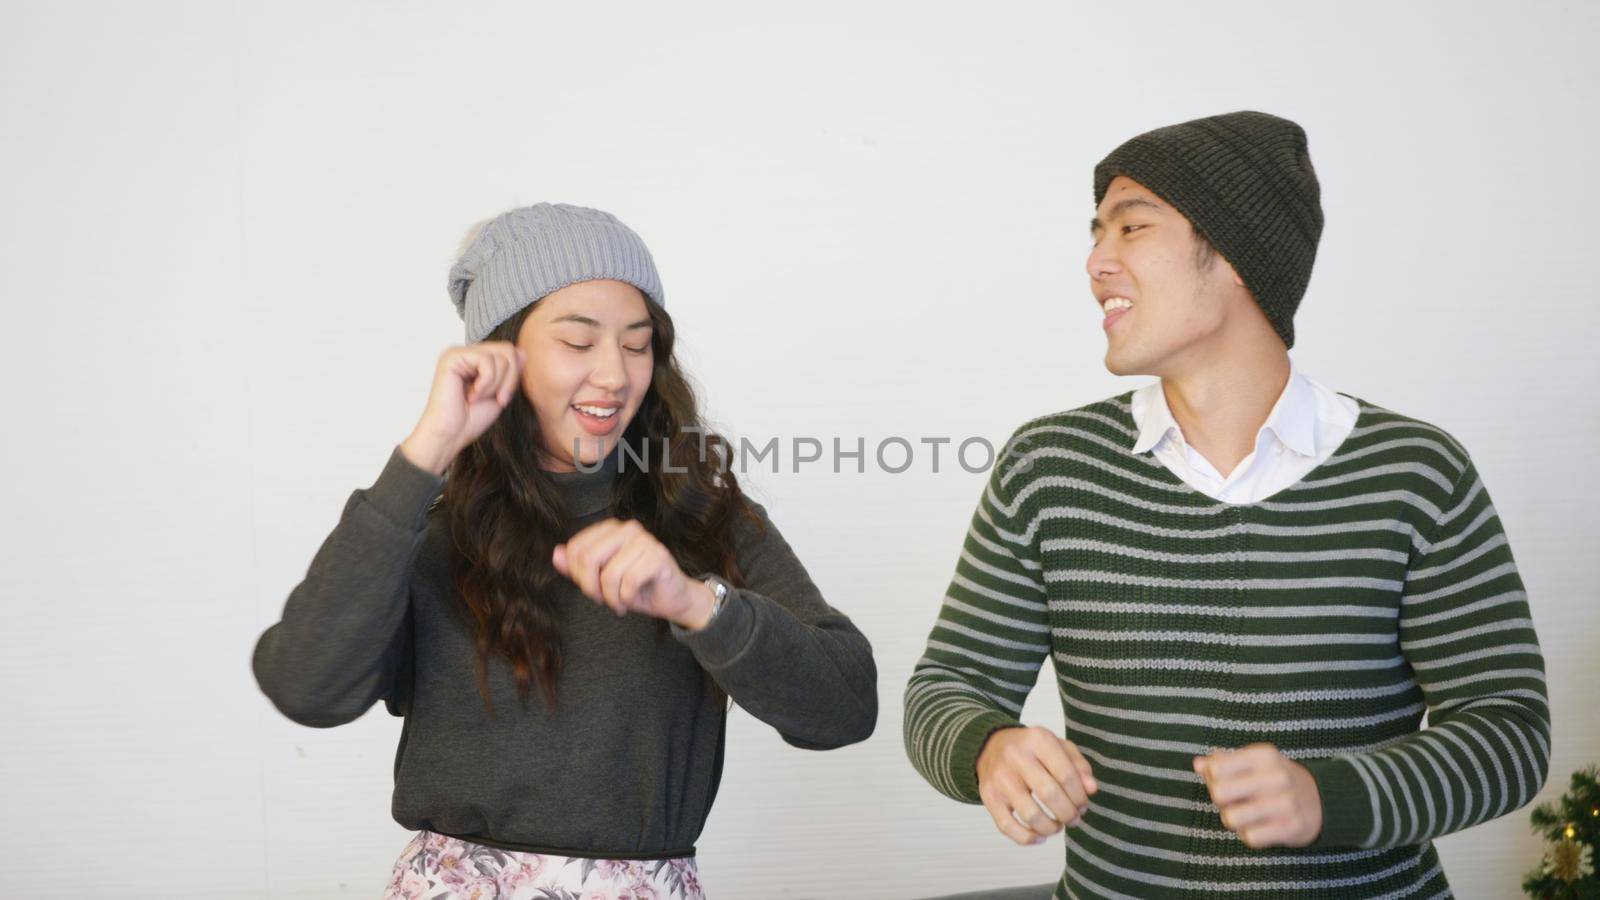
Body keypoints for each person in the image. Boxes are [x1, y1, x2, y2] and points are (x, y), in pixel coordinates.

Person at [903, 111, 1549, 898]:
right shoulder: (1049, 467)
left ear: (1239, 256)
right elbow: (946, 685)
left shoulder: (1415, 473)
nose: (1095, 261)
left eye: (1132, 227)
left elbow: (1509, 732)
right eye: (1096, 232)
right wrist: (987, 746)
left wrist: (1327, 795)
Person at [252, 203, 877, 899]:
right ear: (501, 353)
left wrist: (699, 604)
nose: (613, 375)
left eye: (636, 345)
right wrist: (426, 452)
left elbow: (847, 706)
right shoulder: (428, 533)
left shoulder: (704, 519)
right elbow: (306, 688)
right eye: (579, 344)